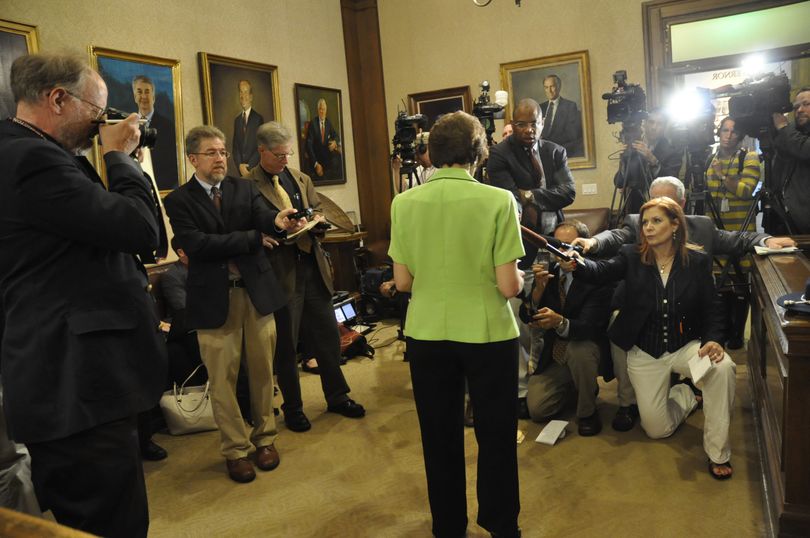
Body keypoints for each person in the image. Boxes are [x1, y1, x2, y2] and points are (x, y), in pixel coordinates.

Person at [0, 53, 167, 536]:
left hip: (73, 381)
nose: (102, 123)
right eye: (97, 111)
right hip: (76, 383)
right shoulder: (31, 159)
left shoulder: (34, 153)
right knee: (113, 522)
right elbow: (139, 229)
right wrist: (118, 157)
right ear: (57, 99)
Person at [389, 111, 525, 538]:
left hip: (428, 333)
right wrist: (523, 278)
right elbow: (508, 286)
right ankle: (502, 526)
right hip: (487, 334)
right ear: (478, 152)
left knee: (438, 436)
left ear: (432, 152)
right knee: (496, 434)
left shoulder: (403, 202)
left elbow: (402, 281)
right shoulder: (498, 200)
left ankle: (448, 528)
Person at [572, 176, 795, 431]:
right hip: (640, 316)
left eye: (664, 203)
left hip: (688, 322)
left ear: (680, 206)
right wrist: (592, 242)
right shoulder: (637, 223)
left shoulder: (702, 228)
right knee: (620, 329)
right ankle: (628, 403)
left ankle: (687, 394)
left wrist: (766, 240)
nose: (651, 221)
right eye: (652, 201)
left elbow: (737, 239)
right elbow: (612, 238)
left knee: (720, 368)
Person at [163, 125, 305, 484]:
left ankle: (265, 440)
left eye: (223, 151)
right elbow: (195, 245)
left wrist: (276, 220)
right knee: (223, 380)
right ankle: (235, 450)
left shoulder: (243, 188)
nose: (221, 158)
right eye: (212, 153)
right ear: (193, 158)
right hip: (214, 301)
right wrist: (251, 239)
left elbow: (263, 218)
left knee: (261, 373)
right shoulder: (179, 200)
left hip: (255, 294)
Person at [573, 197, 737, 480]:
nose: (648, 228)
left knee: (723, 368)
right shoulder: (631, 256)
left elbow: (713, 307)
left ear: (675, 224)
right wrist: (577, 263)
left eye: (656, 221)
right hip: (644, 350)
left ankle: (718, 452)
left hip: (686, 345)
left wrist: (713, 340)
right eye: (645, 222)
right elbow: (601, 271)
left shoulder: (696, 261)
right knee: (657, 430)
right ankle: (687, 395)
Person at [246, 121, 366, 432]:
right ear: (262, 151)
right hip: (281, 271)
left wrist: (316, 220)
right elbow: (247, 225)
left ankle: (338, 396)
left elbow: (317, 209)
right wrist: (275, 228)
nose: (285, 160)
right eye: (279, 155)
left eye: (288, 154)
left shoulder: (299, 177)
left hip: (312, 265)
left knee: (328, 336)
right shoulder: (247, 185)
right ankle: (294, 408)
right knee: (287, 344)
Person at [488, 97, 576, 417]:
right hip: (520, 243)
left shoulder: (555, 151)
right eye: (521, 124)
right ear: (513, 123)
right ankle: (522, 388)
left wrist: (531, 195)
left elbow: (568, 192)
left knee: (554, 304)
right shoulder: (499, 154)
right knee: (520, 315)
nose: (528, 130)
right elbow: (507, 198)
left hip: (553, 241)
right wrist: (527, 196)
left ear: (542, 122)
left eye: (534, 123)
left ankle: (552, 368)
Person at [523, 220, 612, 435]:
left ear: (582, 247)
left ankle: (587, 413)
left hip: (588, 348)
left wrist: (559, 322)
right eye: (558, 245)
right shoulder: (549, 272)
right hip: (556, 353)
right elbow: (526, 316)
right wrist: (537, 292)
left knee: (579, 350)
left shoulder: (596, 276)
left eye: (569, 245)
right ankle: (580, 387)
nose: (562, 252)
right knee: (537, 409)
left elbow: (589, 327)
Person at [705, 116, 760, 349]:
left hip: (739, 230)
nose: (728, 135)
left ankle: (737, 334)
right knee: (721, 283)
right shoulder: (710, 159)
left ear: (740, 135)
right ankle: (723, 331)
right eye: (724, 130)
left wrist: (721, 176)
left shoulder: (749, 157)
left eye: (733, 131)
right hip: (715, 231)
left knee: (739, 281)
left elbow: (746, 191)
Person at [613, 108, 682, 214]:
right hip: (634, 209)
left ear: (664, 127)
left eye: (659, 124)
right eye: (651, 122)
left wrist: (653, 159)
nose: (654, 127)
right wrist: (625, 159)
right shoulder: (633, 144)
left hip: (660, 208)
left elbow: (672, 181)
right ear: (644, 124)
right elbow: (619, 183)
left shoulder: (672, 151)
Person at [770, 86, 810, 234]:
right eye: (796, 106)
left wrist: (783, 128)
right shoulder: (791, 134)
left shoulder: (789, 133)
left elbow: (805, 150)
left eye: (806, 104)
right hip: (787, 221)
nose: (799, 110)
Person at [132, 74, 178, 190]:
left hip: (161, 189)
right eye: (139, 91)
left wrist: (155, 188)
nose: (143, 96)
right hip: (135, 189)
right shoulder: (127, 125)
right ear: (134, 96)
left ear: (154, 97)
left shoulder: (168, 126)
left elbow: (173, 166)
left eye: (147, 92)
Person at [539, 75, 583, 157]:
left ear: (559, 86)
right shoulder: (540, 108)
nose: (549, 90)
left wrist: (548, 142)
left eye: (552, 86)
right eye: (546, 87)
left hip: (561, 151)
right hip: (542, 154)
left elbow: (572, 134)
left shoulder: (570, 106)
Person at [232, 80, 264, 177]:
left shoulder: (258, 119)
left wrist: (248, 168)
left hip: (254, 170)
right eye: (241, 92)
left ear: (251, 97)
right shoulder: (237, 120)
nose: (242, 96)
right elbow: (235, 148)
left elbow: (260, 146)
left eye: (245, 92)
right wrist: (240, 166)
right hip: (241, 172)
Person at [305, 97, 342, 180]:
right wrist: (316, 164)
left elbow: (336, 136)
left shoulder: (328, 123)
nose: (322, 111)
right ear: (318, 110)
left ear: (326, 110)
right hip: (316, 158)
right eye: (320, 109)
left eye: (324, 109)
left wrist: (335, 142)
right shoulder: (313, 124)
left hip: (326, 157)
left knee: (338, 160)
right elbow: (309, 145)